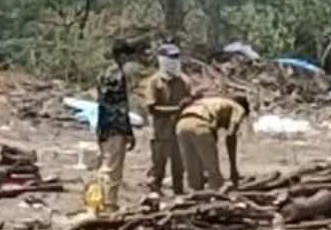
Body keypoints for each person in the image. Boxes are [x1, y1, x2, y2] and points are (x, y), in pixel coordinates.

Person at [141, 43, 192, 195]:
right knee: (158, 168)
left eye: (176, 57)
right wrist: (177, 109)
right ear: (162, 59)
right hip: (160, 134)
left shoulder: (184, 81)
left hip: (179, 133)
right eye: (171, 57)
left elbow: (188, 103)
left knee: (179, 169)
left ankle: (178, 198)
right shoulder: (154, 82)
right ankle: (154, 198)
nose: (174, 60)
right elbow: (152, 108)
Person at [95, 40, 139, 211]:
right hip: (115, 127)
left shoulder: (103, 74)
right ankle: (108, 204)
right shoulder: (118, 76)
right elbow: (120, 107)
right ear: (122, 56)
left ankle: (100, 200)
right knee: (112, 167)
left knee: (105, 163)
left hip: (103, 125)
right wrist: (128, 132)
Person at [175, 94, 251, 192]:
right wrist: (233, 169)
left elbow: (213, 133)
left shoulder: (215, 102)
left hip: (181, 125)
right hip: (200, 125)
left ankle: (195, 195)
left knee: (193, 171)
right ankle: (216, 197)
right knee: (213, 173)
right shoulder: (238, 108)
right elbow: (231, 135)